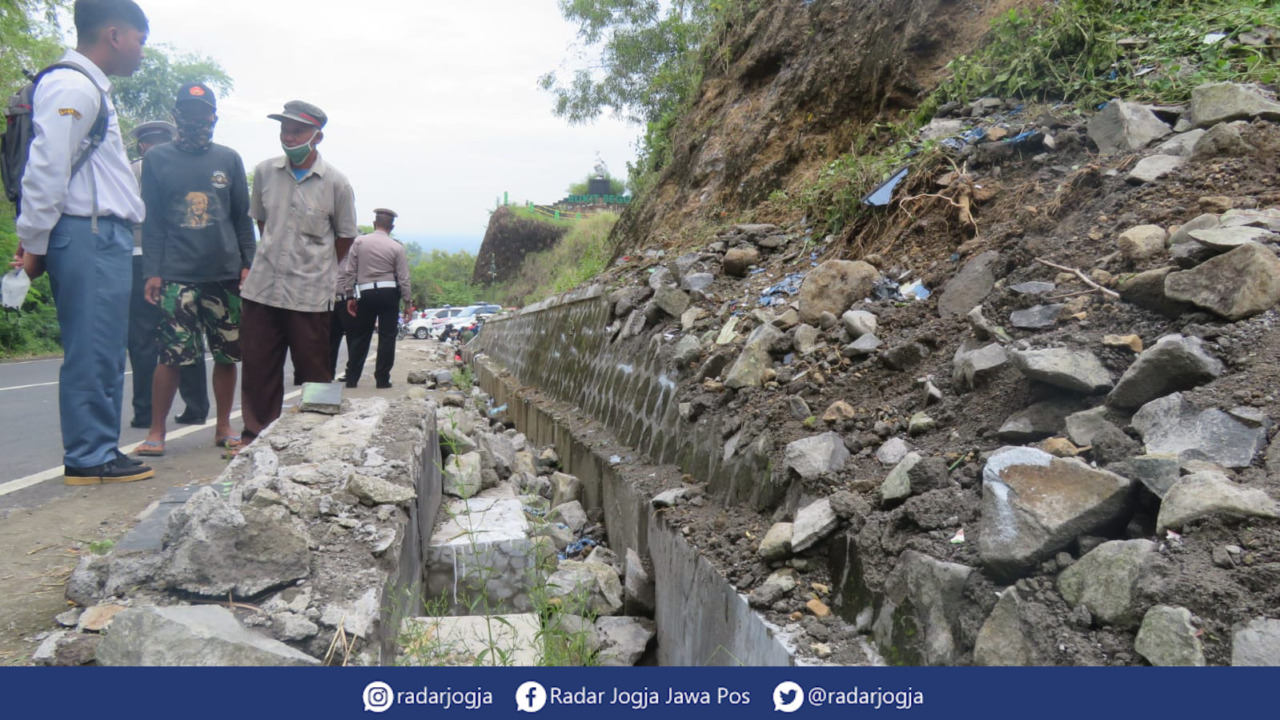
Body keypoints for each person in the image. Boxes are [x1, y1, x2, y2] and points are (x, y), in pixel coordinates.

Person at [12, 0, 153, 485]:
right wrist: (33, 243)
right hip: (86, 230)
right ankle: (89, 456)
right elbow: (47, 168)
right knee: (93, 347)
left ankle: (99, 447)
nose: (141, 52)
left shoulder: (88, 87)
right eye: (140, 40)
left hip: (100, 233)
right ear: (114, 35)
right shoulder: (73, 85)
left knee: (107, 347)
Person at [135, 83, 254, 456]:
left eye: (202, 113)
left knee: (226, 354)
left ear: (213, 117)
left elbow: (241, 220)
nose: (196, 119)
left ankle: (223, 426)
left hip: (224, 273)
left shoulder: (229, 159)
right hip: (176, 275)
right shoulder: (158, 160)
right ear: (176, 116)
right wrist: (151, 272)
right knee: (171, 355)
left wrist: (248, 265)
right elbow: (151, 221)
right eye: (188, 112)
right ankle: (156, 432)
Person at [239, 100, 357, 442]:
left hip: (310, 293)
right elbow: (264, 222)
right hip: (263, 287)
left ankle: (318, 436)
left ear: (317, 136)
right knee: (259, 367)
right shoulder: (264, 172)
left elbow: (345, 237)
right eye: (284, 130)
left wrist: (317, 267)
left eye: (297, 131)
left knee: (315, 369)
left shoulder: (336, 183)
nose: (289, 138)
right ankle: (255, 436)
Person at [126, 120, 209, 429]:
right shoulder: (184, 167)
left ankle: (146, 411)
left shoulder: (130, 170)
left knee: (143, 338)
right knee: (186, 333)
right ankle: (196, 407)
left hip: (139, 258)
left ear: (141, 145)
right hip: (179, 260)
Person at [339, 208, 409, 388]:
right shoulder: (396, 247)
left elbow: (350, 271)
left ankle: (352, 378)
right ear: (391, 227)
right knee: (387, 337)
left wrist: (349, 296)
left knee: (361, 336)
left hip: (366, 293)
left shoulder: (359, 242)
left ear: (373, 224)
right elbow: (403, 278)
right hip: (389, 294)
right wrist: (408, 303)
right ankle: (382, 379)